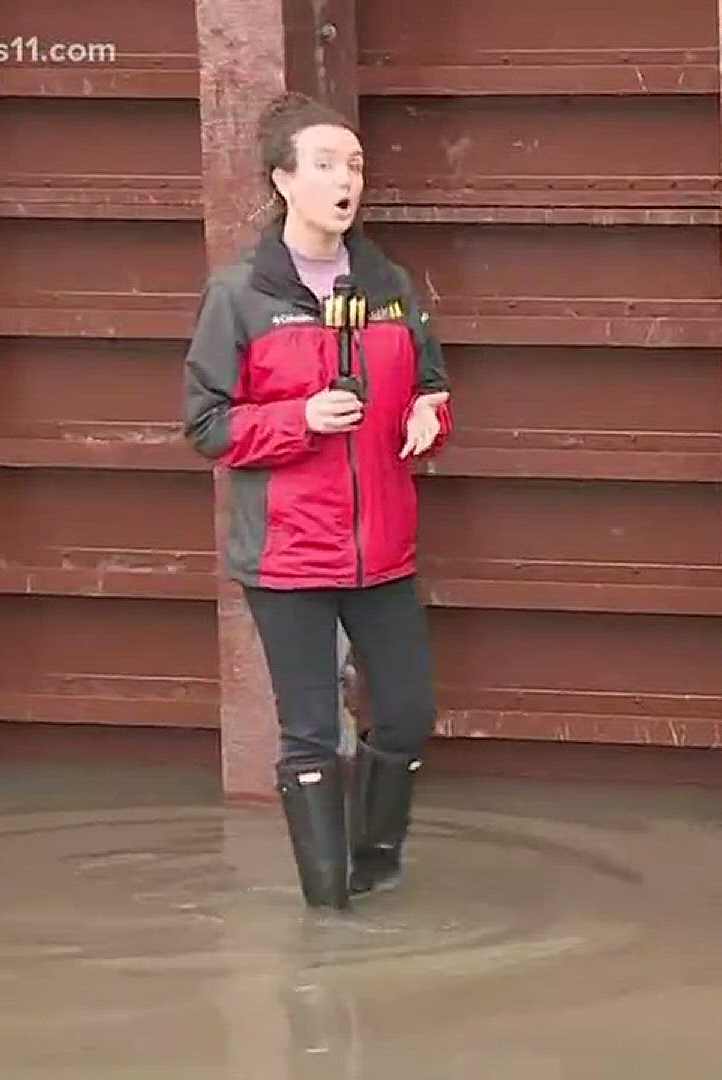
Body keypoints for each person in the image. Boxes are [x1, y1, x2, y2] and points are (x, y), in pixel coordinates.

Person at [181, 91, 451, 910]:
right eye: (327, 164)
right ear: (285, 181)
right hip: (287, 554)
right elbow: (206, 425)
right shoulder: (239, 295)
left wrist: (428, 412)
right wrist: (299, 419)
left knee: (405, 714)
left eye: (356, 165)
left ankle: (374, 864)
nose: (347, 180)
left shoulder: (390, 285)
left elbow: (433, 383)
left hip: (383, 547)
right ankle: (328, 913)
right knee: (308, 734)